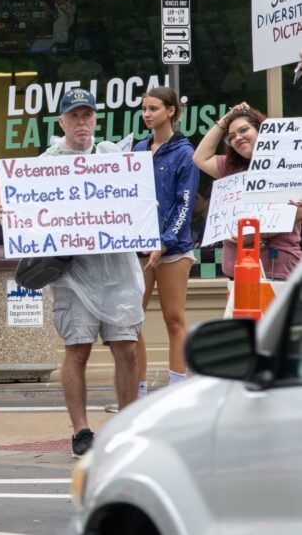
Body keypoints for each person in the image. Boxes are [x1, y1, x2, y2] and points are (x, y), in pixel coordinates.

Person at [41, 89, 144, 458]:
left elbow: (138, 200)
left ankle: (127, 426)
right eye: (74, 116)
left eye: (87, 115)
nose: (81, 122)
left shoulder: (114, 157)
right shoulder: (46, 163)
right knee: (77, 350)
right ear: (62, 122)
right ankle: (81, 429)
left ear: (95, 120)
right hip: (73, 273)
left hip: (117, 268)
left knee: (127, 350)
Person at [133, 88, 198, 397]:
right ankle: (139, 391)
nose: (147, 114)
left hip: (174, 248)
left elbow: (185, 204)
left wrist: (165, 242)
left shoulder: (186, 152)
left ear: (171, 111)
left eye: (154, 108)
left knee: (174, 318)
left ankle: (177, 391)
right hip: (140, 247)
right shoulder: (137, 148)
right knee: (132, 321)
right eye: (144, 108)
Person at [193, 103, 302, 279]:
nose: (238, 138)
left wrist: (256, 234)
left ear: (261, 129)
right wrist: (225, 119)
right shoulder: (230, 168)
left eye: (244, 130)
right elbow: (200, 157)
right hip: (237, 268)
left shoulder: (290, 164)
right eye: (231, 136)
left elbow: (298, 212)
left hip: (277, 267)